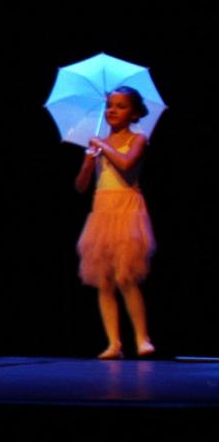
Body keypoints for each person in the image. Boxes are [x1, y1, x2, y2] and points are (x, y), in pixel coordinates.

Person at [74, 87, 155, 359]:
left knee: (125, 276)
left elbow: (126, 163)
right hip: (103, 211)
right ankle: (114, 343)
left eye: (120, 106)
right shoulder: (99, 147)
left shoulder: (138, 139)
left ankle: (142, 338)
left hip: (127, 210)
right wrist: (87, 163)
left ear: (133, 113)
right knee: (104, 280)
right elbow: (81, 186)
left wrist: (103, 146)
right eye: (109, 105)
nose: (112, 110)